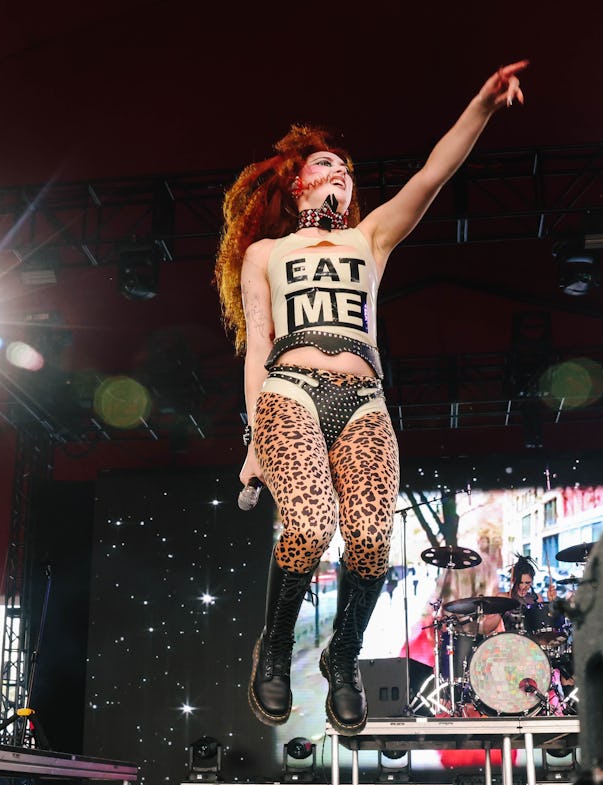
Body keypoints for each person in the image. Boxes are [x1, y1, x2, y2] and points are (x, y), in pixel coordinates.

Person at [215, 62, 527, 735]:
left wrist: (481, 105)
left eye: (348, 171)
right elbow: (257, 342)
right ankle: (272, 650)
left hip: (363, 399)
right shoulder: (265, 252)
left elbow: (432, 175)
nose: (340, 175)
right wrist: (252, 442)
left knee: (369, 544)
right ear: (299, 181)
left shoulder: (368, 239)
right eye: (327, 165)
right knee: (305, 525)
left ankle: (344, 658)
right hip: (289, 391)